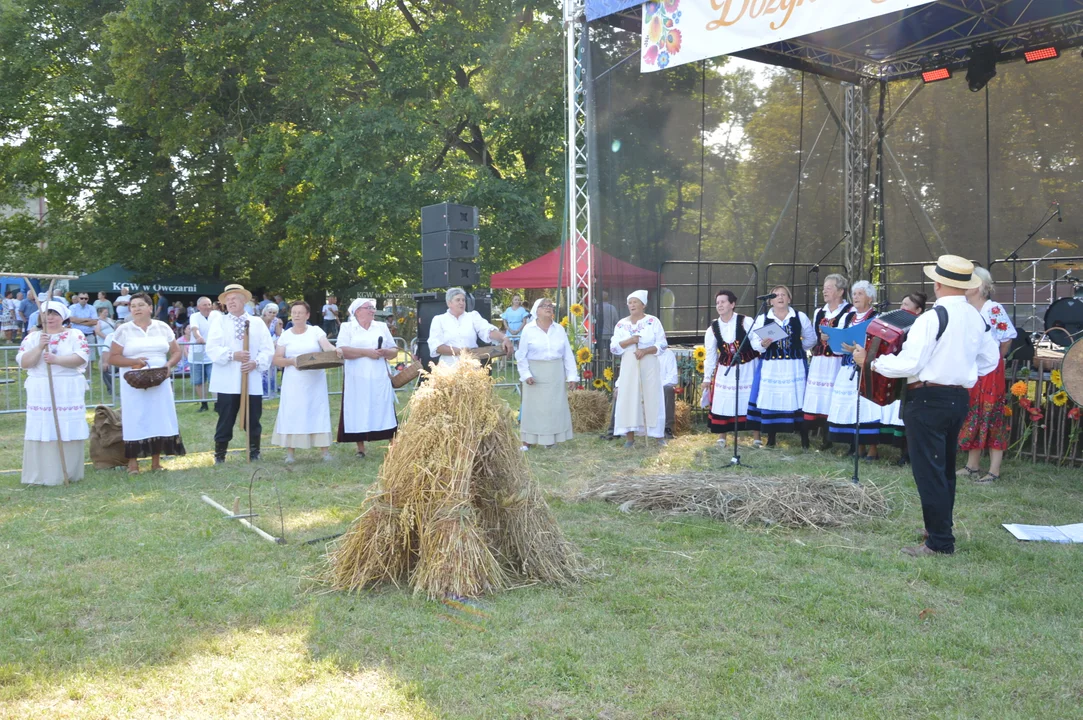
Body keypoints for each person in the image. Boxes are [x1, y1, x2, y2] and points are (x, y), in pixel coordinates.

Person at [853, 256, 998, 556]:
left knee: (929, 471)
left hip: (928, 399)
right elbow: (990, 361)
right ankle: (939, 528)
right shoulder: (977, 317)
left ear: (938, 284)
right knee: (943, 467)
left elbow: (911, 362)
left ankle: (940, 542)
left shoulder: (932, 318)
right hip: (958, 398)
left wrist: (872, 362)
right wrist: (959, 372)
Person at [109, 292, 186, 474]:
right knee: (135, 417)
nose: (136, 309)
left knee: (158, 416)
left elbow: (176, 352)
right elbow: (113, 357)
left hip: (160, 380)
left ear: (150, 308)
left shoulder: (163, 327)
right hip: (133, 382)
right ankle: (133, 463)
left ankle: (156, 462)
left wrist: (168, 365)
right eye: (133, 306)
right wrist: (132, 362)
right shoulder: (123, 330)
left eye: (140, 305)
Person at [16, 301, 90, 485]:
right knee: (44, 425)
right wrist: (40, 346)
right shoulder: (32, 338)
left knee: (65, 426)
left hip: (67, 387)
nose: (50, 317)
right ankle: (43, 474)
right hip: (41, 388)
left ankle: (68, 471)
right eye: (46, 314)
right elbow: (24, 362)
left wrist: (57, 359)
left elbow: (81, 358)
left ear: (63, 316)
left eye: (54, 313)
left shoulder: (75, 334)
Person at [959, 266, 1017, 484]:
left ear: (981, 286)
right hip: (971, 369)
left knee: (992, 415)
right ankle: (972, 466)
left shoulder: (993, 309)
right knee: (973, 413)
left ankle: (994, 470)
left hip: (991, 371)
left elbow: (1006, 338)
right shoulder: (964, 309)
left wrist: (996, 361)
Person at [206, 284, 275, 463]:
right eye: (227, 300)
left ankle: (254, 452)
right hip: (227, 379)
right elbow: (212, 348)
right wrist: (232, 355)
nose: (230, 302)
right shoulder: (219, 321)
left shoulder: (257, 322)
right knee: (225, 417)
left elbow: (267, 349)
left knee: (253, 417)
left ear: (244, 301)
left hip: (251, 378)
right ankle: (220, 455)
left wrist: (255, 362)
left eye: (234, 298)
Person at [272, 301, 339, 463]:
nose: (296, 315)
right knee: (292, 412)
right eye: (294, 312)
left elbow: (326, 346)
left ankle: (324, 452)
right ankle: (290, 453)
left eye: (300, 312)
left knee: (318, 411)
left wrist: (336, 350)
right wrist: (292, 361)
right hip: (293, 382)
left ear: (307, 315)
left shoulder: (316, 331)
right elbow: (277, 359)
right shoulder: (286, 335)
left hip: (315, 381)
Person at [750, 285, 816, 448]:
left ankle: (804, 438)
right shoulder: (763, 318)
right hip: (772, 366)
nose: (780, 298)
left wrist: (798, 348)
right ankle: (771, 438)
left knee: (798, 398)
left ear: (789, 298)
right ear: (770, 300)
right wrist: (762, 345)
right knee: (773, 398)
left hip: (794, 366)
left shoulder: (799, 317)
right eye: (776, 295)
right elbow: (753, 342)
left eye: (783, 295)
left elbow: (811, 339)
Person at [827, 281, 884, 459]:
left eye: (860, 293)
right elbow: (837, 347)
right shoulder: (847, 318)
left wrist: (860, 349)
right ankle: (858, 446)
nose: (856, 297)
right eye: (855, 294)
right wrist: (834, 340)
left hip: (867, 368)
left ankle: (873, 449)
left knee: (869, 406)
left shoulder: (877, 317)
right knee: (851, 406)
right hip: (848, 366)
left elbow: (880, 344)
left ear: (870, 297)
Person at [337, 298, 399, 458]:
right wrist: (367, 352)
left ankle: (392, 445)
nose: (372, 310)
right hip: (356, 376)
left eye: (373, 308)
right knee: (358, 408)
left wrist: (385, 352)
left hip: (379, 375)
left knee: (382, 407)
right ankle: (360, 448)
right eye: (369, 308)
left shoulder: (381, 326)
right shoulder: (347, 327)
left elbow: (394, 349)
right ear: (358, 311)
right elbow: (343, 350)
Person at [516, 298, 577, 450]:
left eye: (551, 306)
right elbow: (521, 355)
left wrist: (571, 376)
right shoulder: (528, 330)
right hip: (535, 373)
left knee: (553, 407)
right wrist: (525, 374)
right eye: (545, 306)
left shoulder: (559, 329)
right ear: (536, 310)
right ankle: (527, 441)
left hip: (555, 372)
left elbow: (567, 354)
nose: (549, 308)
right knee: (533, 408)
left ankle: (550, 440)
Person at [701, 290, 760, 447]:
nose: (719, 305)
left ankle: (756, 437)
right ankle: (722, 436)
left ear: (732, 304)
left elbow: (756, 341)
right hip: (726, 367)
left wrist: (763, 345)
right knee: (723, 400)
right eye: (717, 302)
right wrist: (707, 378)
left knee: (750, 398)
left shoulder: (745, 321)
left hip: (748, 365)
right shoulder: (713, 328)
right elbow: (711, 355)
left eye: (723, 302)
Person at [611, 290, 668, 447]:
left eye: (635, 302)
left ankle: (657, 435)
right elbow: (614, 347)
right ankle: (630, 437)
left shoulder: (652, 321)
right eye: (630, 302)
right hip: (629, 364)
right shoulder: (621, 324)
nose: (632, 305)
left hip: (648, 362)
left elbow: (662, 344)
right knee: (629, 397)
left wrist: (645, 350)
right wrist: (629, 341)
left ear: (643, 304)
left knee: (652, 395)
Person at [802, 274, 852, 447]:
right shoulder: (819, 312)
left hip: (836, 361)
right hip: (820, 360)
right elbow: (815, 337)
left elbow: (849, 335)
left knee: (833, 395)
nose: (824, 291)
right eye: (824, 287)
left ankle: (831, 435)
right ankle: (820, 432)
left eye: (829, 288)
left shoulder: (849, 311)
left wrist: (832, 337)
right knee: (819, 396)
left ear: (840, 291)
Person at [880, 292, 927, 463]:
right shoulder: (897, 324)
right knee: (902, 413)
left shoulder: (922, 327)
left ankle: (910, 454)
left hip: (915, 376)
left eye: (906, 305)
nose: (902, 308)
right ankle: (903, 453)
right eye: (902, 304)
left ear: (919, 309)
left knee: (911, 415)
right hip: (899, 373)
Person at [428, 287, 513, 367]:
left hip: (471, 369)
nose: (462, 303)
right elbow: (437, 347)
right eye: (458, 300)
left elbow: (487, 329)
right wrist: (461, 352)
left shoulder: (472, 316)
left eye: (463, 300)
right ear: (449, 303)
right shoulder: (439, 320)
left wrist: (504, 338)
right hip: (448, 369)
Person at [188, 296, 220, 412]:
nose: (207, 307)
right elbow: (194, 329)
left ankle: (217, 404)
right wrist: (199, 337)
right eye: (204, 305)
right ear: (198, 307)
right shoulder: (194, 316)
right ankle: (204, 404)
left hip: (212, 352)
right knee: (198, 380)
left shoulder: (217, 315)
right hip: (198, 352)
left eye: (209, 304)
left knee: (214, 379)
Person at [93, 306, 117, 394]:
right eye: (104, 312)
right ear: (100, 313)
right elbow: (97, 331)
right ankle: (110, 388)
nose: (106, 314)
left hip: (114, 343)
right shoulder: (98, 321)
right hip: (104, 342)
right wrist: (107, 338)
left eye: (107, 312)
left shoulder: (110, 320)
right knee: (103, 361)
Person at [261, 303, 282, 398]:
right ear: (265, 312)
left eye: (274, 313)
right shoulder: (258, 320)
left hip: (272, 347)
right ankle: (261, 392)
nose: (272, 314)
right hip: (260, 347)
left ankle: (271, 393)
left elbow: (279, 336)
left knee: (271, 371)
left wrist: (274, 343)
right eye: (270, 312)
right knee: (261, 370)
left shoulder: (277, 321)